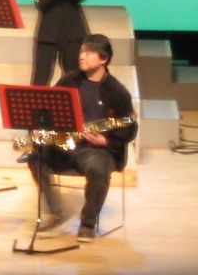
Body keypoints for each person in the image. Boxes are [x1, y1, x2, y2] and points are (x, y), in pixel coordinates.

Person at [25, 34, 136, 241]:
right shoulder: (70, 80)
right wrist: (42, 127)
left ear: (103, 59)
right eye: (81, 51)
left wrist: (106, 141)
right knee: (35, 157)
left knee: (98, 169)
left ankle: (88, 222)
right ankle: (58, 212)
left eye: (88, 52)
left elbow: (129, 128)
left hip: (96, 149)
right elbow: (49, 108)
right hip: (66, 144)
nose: (82, 56)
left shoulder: (117, 91)